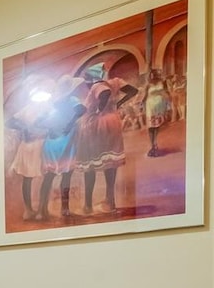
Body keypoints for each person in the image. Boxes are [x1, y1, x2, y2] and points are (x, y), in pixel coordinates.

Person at [75, 68, 137, 214]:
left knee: (90, 164)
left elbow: (104, 93)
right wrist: (118, 103)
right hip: (112, 121)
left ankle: (88, 205)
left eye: (87, 81)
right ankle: (110, 201)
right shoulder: (115, 82)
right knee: (109, 162)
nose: (87, 85)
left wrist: (98, 110)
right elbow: (133, 91)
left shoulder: (98, 85)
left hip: (96, 125)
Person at [36, 75, 87, 220]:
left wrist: (53, 125)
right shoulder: (70, 100)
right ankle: (59, 209)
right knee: (63, 176)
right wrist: (68, 123)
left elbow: (39, 121)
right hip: (63, 141)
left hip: (57, 141)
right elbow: (82, 109)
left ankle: (44, 209)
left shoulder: (55, 102)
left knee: (52, 176)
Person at [141, 68, 172, 156]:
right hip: (150, 106)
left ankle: (155, 144)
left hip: (160, 106)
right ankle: (152, 146)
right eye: (151, 74)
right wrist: (141, 105)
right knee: (151, 126)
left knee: (157, 125)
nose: (153, 76)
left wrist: (168, 105)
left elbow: (167, 93)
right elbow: (145, 95)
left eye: (154, 74)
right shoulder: (148, 85)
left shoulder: (162, 83)